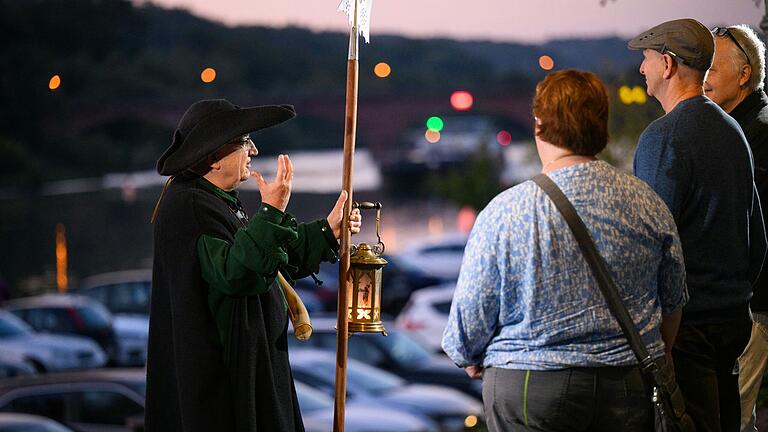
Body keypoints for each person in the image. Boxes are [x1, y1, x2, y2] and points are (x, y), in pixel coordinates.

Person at [441, 69, 687, 432]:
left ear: (539, 126)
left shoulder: (506, 211)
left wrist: (470, 356)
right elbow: (673, 299)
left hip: (530, 388)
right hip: (627, 387)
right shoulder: (647, 202)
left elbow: (469, 322)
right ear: (601, 125)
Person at [145, 99, 361, 432]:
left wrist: (329, 231)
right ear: (215, 156)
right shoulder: (188, 207)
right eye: (245, 141)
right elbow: (236, 273)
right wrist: (271, 212)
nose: (254, 149)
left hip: (254, 373)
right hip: (227, 391)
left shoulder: (214, 200)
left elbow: (270, 263)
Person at [629, 18, 766, 432]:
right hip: (733, 321)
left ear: (668, 65)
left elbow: (649, 244)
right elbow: (757, 237)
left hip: (685, 330)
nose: (641, 69)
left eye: (647, 60)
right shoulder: (734, 130)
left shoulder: (663, 137)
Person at [704, 24, 768, 432]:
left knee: (732, 418)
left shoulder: (755, 135)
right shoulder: (747, 127)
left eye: (712, 67)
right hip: (748, 302)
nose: (703, 78)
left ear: (744, 75)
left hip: (752, 306)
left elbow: (747, 232)